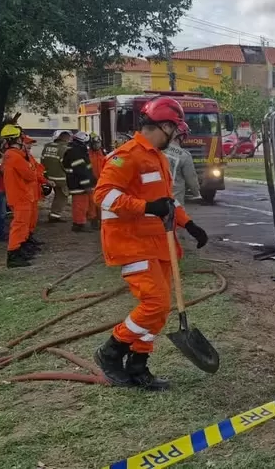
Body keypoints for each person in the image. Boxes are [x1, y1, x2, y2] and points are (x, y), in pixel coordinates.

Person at [93, 97, 209, 391]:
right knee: (155, 303)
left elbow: (166, 202)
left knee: (161, 308)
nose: (177, 135)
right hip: (130, 243)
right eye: (175, 129)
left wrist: (189, 224)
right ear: (165, 125)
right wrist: (146, 207)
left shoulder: (157, 156)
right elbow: (103, 196)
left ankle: (138, 365)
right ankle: (111, 351)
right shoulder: (126, 156)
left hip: (158, 242)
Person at [0, 125, 39, 268]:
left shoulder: (12, 155)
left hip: (20, 195)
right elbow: (30, 175)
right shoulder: (15, 156)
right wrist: (31, 167)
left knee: (22, 225)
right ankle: (13, 254)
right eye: (21, 138)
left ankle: (18, 250)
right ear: (17, 139)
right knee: (19, 225)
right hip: (21, 196)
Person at [63, 131, 97, 232]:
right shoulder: (76, 152)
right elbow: (81, 171)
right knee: (80, 205)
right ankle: (78, 225)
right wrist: (86, 185)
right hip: (78, 184)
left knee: (81, 205)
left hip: (77, 182)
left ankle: (80, 223)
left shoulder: (75, 150)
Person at [163, 123, 200, 205]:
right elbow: (191, 178)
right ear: (181, 136)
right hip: (175, 201)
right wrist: (196, 193)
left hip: (157, 201)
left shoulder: (157, 149)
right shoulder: (184, 155)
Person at [41, 130, 71, 222]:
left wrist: (45, 175)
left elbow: (42, 161)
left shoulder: (47, 146)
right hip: (61, 178)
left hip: (48, 177)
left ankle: (54, 214)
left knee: (58, 195)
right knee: (62, 196)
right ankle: (55, 215)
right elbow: (66, 164)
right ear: (66, 139)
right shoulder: (64, 149)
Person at [88, 133, 106, 228]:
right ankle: (93, 220)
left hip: (102, 180)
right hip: (92, 180)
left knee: (101, 202)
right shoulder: (87, 154)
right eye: (95, 144)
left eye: (98, 143)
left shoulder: (103, 152)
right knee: (92, 202)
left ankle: (101, 219)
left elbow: (111, 162)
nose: (97, 145)